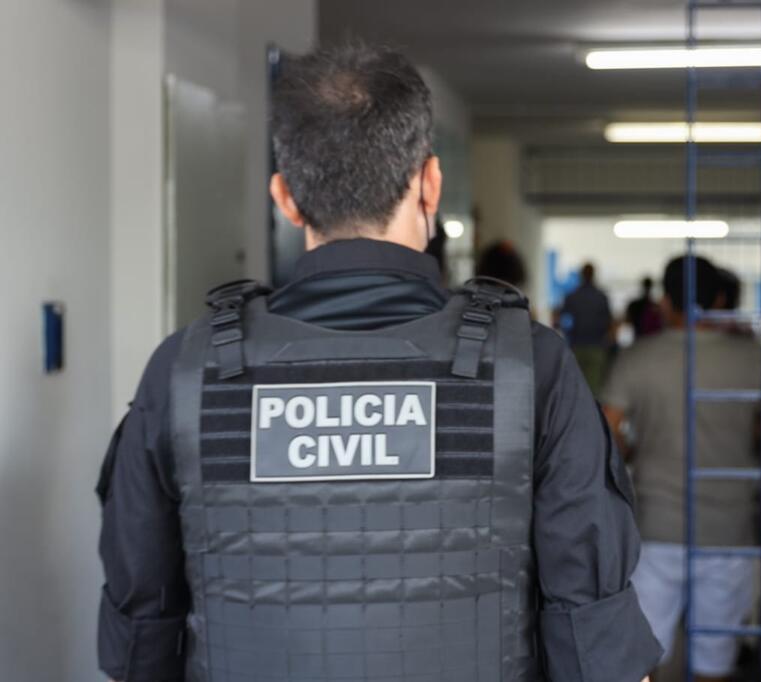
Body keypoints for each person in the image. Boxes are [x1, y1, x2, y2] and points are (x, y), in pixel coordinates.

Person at [95, 45, 660, 682]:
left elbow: (140, 640)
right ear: (431, 183)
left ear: (285, 197)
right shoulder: (530, 365)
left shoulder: (185, 370)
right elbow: (597, 645)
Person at [602, 256, 761, 682]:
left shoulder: (639, 357)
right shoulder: (751, 357)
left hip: (657, 524)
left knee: (643, 659)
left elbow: (606, 430)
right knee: (715, 662)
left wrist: (635, 449)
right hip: (728, 527)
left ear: (665, 302)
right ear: (720, 299)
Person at [556, 262, 614, 394]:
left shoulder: (572, 296)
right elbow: (610, 322)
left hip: (576, 344)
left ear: (581, 275)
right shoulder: (601, 297)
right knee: (594, 388)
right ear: (594, 275)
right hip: (596, 346)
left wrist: (567, 333)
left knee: (576, 386)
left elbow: (559, 319)